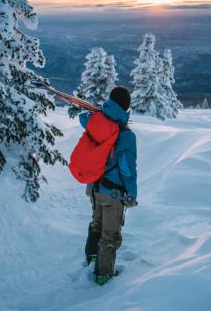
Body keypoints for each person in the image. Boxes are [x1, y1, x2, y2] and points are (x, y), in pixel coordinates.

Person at [80, 86, 138, 286]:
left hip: (94, 187)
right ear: (127, 107)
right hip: (113, 193)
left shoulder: (96, 121)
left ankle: (92, 259)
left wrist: (98, 111)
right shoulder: (126, 135)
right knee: (110, 235)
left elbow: (82, 118)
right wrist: (131, 194)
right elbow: (127, 169)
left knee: (96, 224)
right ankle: (103, 276)